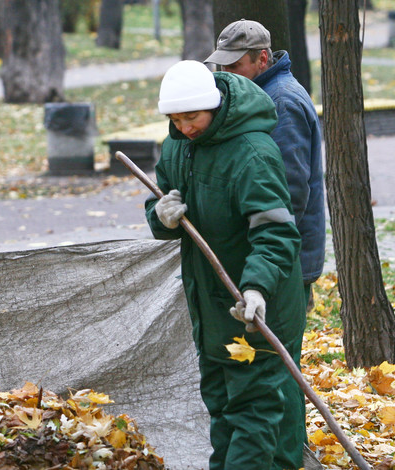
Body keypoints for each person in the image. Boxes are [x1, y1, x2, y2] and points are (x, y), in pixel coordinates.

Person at [144, 60, 306, 469]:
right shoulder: (177, 146)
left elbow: (276, 235)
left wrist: (256, 287)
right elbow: (160, 197)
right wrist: (160, 215)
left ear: (213, 105)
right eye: (175, 119)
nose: (184, 127)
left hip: (255, 306)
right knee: (221, 405)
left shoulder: (252, 154)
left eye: (191, 117)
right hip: (211, 306)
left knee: (254, 412)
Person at [205, 19, 325, 313]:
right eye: (222, 67)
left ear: (262, 59)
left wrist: (267, 256)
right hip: (270, 254)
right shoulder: (256, 97)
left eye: (234, 66)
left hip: (282, 257)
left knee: (274, 349)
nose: (226, 75)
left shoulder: (280, 102)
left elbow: (289, 192)